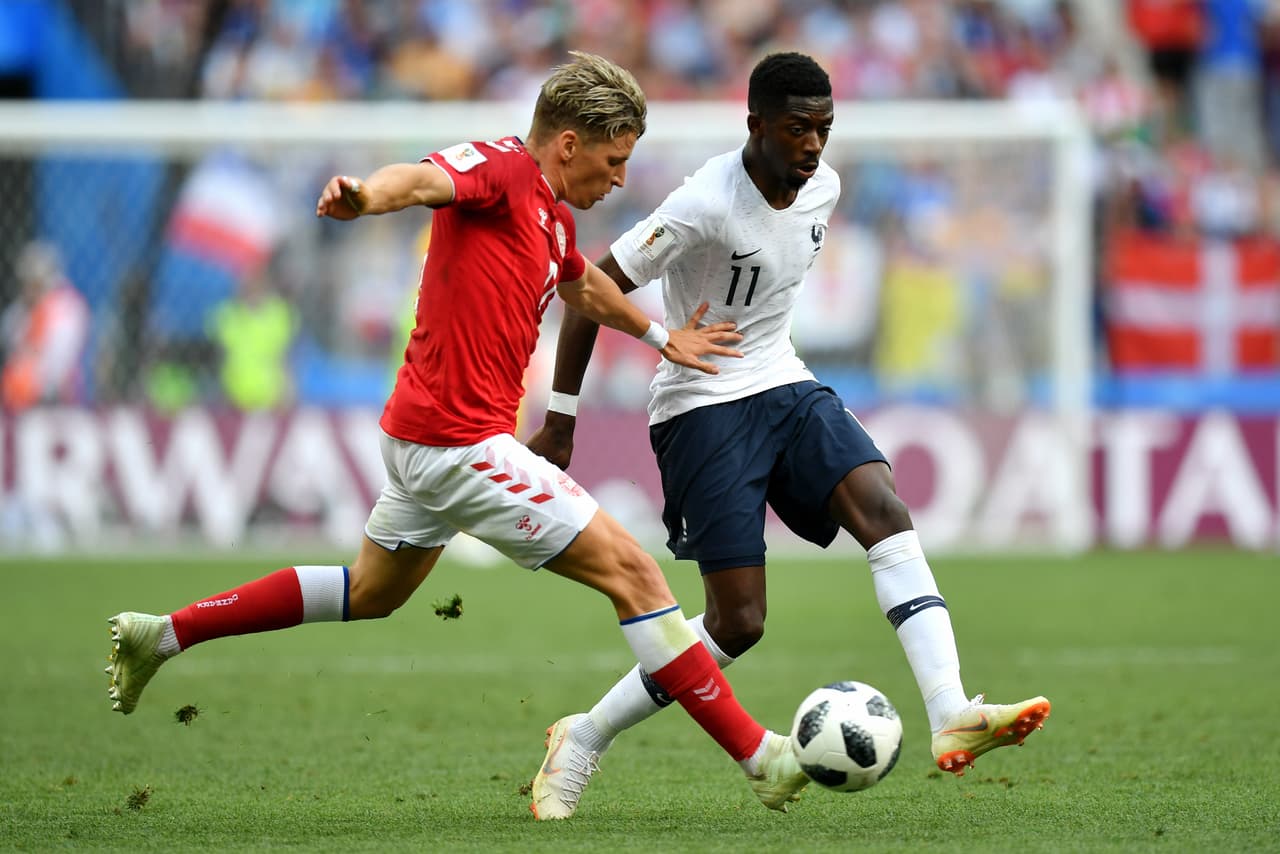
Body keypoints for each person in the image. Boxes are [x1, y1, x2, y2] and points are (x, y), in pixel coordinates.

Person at [104, 51, 810, 820]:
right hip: (458, 444)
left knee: (369, 592)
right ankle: (758, 756)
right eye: (613, 161)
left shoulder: (551, 216)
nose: (617, 179)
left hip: (422, 440)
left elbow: (580, 282)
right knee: (636, 575)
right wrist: (365, 197)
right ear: (568, 143)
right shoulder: (501, 170)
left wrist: (661, 334)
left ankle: (163, 636)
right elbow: (419, 180)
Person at [525, 52, 1051, 819]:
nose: (813, 145)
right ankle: (584, 735)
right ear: (756, 126)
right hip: (700, 408)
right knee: (738, 623)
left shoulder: (825, 187)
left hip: (783, 382)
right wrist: (562, 418)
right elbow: (587, 290)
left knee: (885, 511)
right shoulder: (705, 201)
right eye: (797, 129)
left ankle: (950, 711)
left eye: (824, 129)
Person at [1, 240, 89, 411]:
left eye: (35, 282)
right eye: (26, 282)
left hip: (59, 392)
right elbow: (10, 338)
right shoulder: (20, 312)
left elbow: (60, 358)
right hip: (21, 390)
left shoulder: (68, 307)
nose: (29, 289)